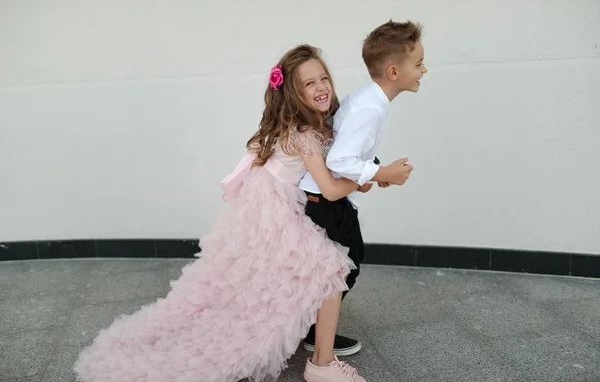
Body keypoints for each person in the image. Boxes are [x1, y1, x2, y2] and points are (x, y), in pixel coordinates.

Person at [73, 44, 410, 382]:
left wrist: (364, 176)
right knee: (330, 270)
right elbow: (332, 189)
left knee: (304, 274)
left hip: (271, 200)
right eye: (309, 83)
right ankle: (321, 364)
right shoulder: (305, 134)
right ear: (293, 92)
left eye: (324, 78)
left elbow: (336, 173)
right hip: (276, 210)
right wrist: (380, 175)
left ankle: (310, 335)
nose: (321, 87)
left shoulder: (314, 122)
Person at [299, 20, 427, 356]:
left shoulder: (370, 99)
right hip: (322, 203)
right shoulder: (371, 107)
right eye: (419, 63)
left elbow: (348, 148)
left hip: (324, 198)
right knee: (346, 264)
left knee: (351, 258)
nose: (424, 69)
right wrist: (382, 171)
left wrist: (374, 172)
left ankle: (311, 329)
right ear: (394, 71)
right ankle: (311, 332)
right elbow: (341, 161)